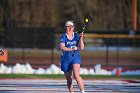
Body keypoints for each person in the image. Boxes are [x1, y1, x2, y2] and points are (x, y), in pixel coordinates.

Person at [60, 21, 85, 93]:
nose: (67, 28)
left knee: (76, 75)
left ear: (72, 28)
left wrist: (81, 39)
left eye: (69, 27)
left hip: (75, 58)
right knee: (69, 79)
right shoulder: (64, 36)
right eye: (66, 27)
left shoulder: (76, 36)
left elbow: (82, 47)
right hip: (65, 59)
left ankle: (83, 91)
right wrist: (71, 49)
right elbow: (62, 47)